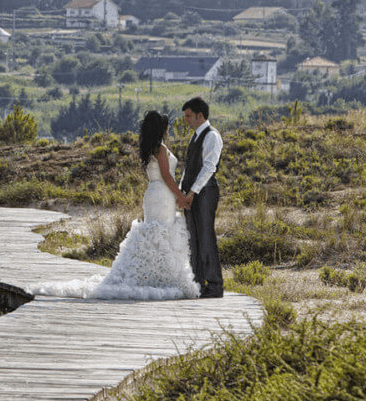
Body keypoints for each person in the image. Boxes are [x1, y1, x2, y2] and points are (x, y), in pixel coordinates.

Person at [31, 111, 199, 300]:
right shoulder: (160, 149)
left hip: (154, 192)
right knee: (162, 234)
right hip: (162, 194)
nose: (169, 128)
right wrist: (182, 197)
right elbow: (168, 177)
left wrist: (175, 195)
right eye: (167, 125)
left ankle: (151, 276)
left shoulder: (150, 147)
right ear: (162, 127)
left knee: (155, 234)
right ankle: (161, 277)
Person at [179, 96, 224, 298]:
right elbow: (189, 168)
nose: (186, 120)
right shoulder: (195, 136)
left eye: (188, 116)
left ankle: (214, 285)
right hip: (192, 193)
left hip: (205, 192)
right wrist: (182, 191)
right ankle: (197, 282)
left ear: (200, 115)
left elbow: (209, 168)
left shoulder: (212, 136)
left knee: (206, 237)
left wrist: (192, 192)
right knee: (193, 238)